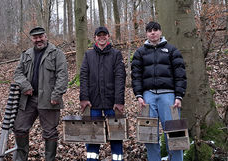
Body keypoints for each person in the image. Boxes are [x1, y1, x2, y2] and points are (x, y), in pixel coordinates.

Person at [131, 21, 187, 161]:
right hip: (148, 96)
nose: (153, 33)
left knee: (174, 134)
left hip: (168, 96)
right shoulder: (140, 52)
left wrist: (179, 96)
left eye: (155, 30)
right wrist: (139, 95)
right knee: (148, 134)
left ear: (160, 32)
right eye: (150, 30)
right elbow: (136, 76)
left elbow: (180, 74)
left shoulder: (172, 50)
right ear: (146, 34)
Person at [13, 26, 68, 161]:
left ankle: (50, 159)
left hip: (49, 99)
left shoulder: (57, 53)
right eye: (35, 37)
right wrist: (25, 85)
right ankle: (21, 158)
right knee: (19, 128)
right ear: (32, 39)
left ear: (46, 36)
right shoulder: (26, 54)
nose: (38, 40)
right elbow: (18, 73)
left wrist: (56, 95)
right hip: (28, 99)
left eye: (41, 36)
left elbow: (63, 76)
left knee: (50, 132)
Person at [79, 26, 126, 161]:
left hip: (112, 103)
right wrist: (84, 98)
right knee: (92, 135)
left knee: (116, 134)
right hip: (93, 102)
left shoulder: (116, 54)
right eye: (99, 35)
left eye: (104, 35)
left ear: (108, 36)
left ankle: (118, 159)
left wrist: (119, 101)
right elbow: (83, 77)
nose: (101, 37)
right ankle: (92, 159)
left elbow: (120, 77)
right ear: (95, 38)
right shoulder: (88, 55)